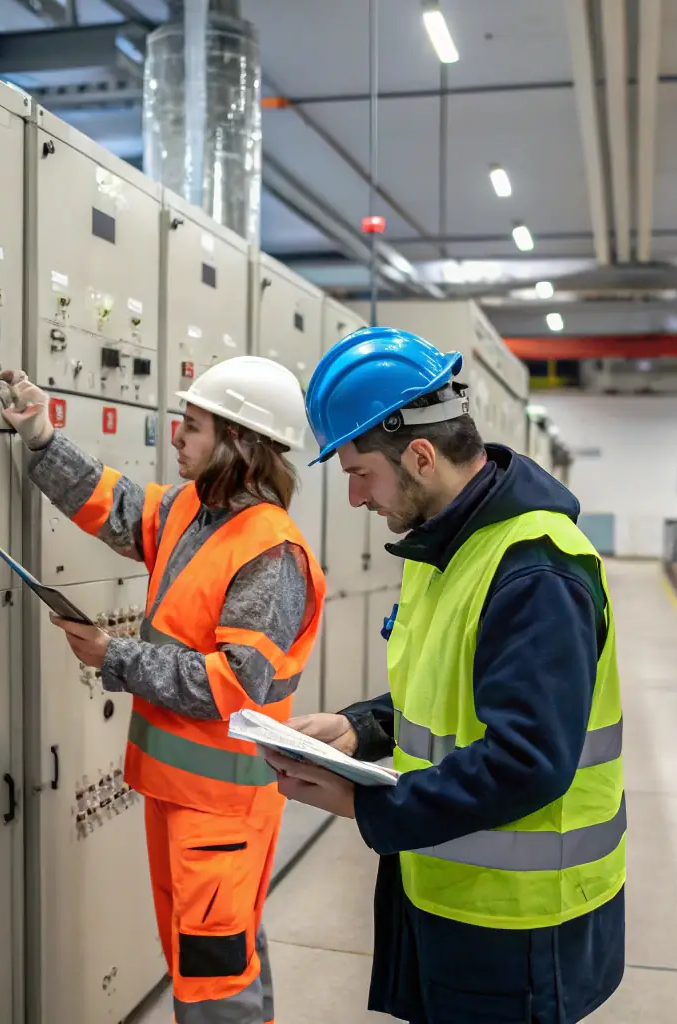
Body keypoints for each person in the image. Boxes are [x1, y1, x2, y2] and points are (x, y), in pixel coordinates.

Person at [261, 327, 626, 1023]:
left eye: (358, 474)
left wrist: (363, 805)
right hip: (450, 887)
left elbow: (526, 762)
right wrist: (358, 727)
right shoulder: (449, 548)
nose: (354, 500)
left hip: (518, 921)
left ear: (420, 456)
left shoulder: (534, 570)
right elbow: (447, 695)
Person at [0, 356, 325, 1024]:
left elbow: (231, 686)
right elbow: (113, 506)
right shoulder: (190, 512)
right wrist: (40, 435)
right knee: (210, 956)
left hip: (222, 807)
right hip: (178, 794)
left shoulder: (271, 551)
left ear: (238, 442)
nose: (175, 435)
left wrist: (113, 656)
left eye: (193, 425)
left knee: (212, 980)